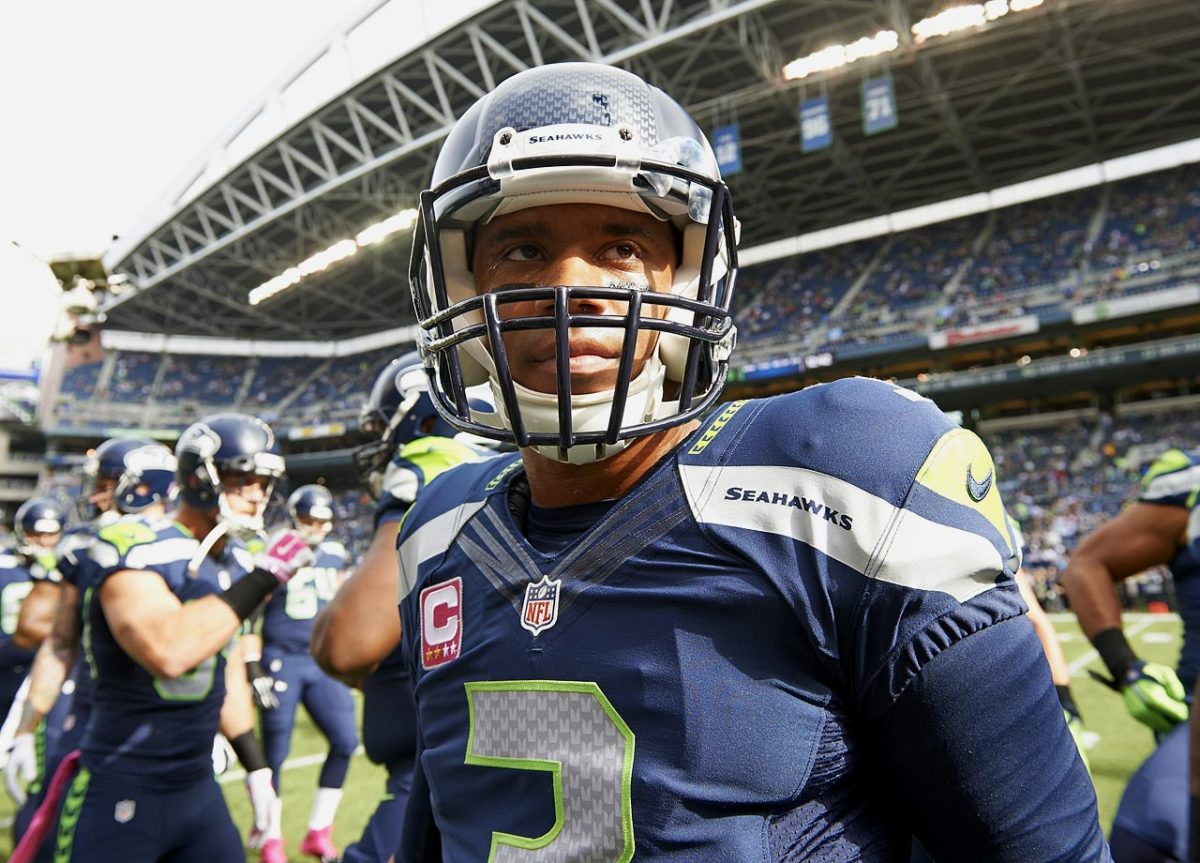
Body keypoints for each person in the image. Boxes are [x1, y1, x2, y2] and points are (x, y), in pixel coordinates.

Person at [393, 62, 1107, 862]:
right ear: (460, 287)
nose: (571, 286)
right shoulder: (440, 530)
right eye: (522, 248)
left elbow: (1044, 849)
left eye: (622, 246)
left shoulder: (841, 475)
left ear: (688, 279)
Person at [48, 413, 312, 862]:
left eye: (263, 482)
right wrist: (265, 576)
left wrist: (257, 769)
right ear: (198, 477)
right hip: (122, 780)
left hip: (197, 786)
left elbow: (227, 668)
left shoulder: (235, 561)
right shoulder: (133, 544)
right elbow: (169, 651)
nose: (255, 494)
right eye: (241, 478)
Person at [311, 352, 492, 863]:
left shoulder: (433, 472)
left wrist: (406, 500)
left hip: (437, 788)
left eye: (383, 427)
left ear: (426, 421)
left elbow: (345, 647)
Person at [6, 438, 154, 840]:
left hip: (156, 715)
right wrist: (25, 729)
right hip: (86, 698)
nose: (96, 496)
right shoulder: (82, 546)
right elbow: (49, 639)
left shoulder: (181, 551)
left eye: (106, 485)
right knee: (52, 808)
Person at [1063, 448, 1199, 863]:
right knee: (1148, 839)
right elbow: (1087, 565)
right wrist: (1126, 666)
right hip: (1191, 710)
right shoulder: (1189, 481)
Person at [254, 483, 358, 863]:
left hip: (320, 661)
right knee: (275, 753)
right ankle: (270, 835)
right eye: (308, 520)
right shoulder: (275, 549)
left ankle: (318, 830)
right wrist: (253, 663)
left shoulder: (334, 553)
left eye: (321, 521)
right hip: (281, 659)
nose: (315, 527)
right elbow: (253, 606)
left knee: (345, 741)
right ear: (295, 518)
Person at [0, 498, 64, 739]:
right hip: (6, 659)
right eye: (36, 534)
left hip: (47, 660)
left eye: (51, 534)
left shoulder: (66, 567)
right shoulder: (5, 565)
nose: (44, 541)